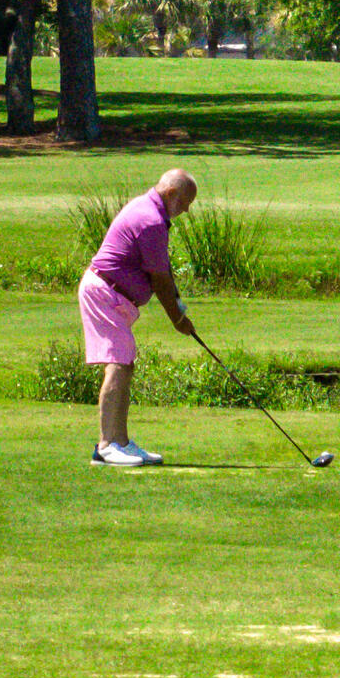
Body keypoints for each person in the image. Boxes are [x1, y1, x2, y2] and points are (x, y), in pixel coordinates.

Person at [79, 168, 198, 467]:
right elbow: (159, 280)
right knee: (118, 363)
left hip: (111, 294)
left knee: (125, 363)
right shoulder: (151, 220)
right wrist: (178, 321)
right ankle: (106, 446)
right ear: (171, 193)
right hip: (105, 292)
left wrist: (180, 309)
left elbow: (164, 273)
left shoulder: (151, 213)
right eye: (185, 203)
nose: (186, 210)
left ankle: (120, 442)